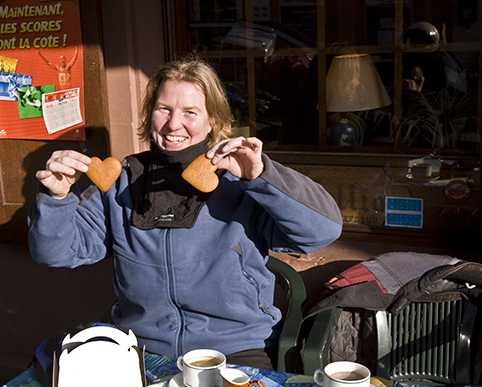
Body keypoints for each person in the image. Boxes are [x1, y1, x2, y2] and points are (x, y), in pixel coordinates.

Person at [28, 55, 342, 369]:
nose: (173, 124)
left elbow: (322, 231)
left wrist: (261, 178)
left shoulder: (239, 180)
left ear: (213, 121)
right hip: (140, 351)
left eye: (190, 112)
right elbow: (55, 253)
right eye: (163, 108)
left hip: (237, 350)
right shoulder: (121, 181)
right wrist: (57, 198)